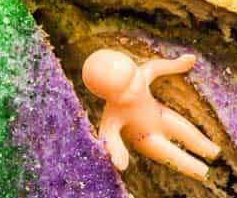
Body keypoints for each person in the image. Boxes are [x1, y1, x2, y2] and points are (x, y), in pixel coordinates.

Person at [81, 48, 219, 181]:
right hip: (146, 138)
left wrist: (178, 64)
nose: (134, 88)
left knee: (189, 132)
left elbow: (157, 67)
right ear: (104, 96)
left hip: (161, 114)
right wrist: (117, 152)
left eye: (133, 77)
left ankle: (212, 151)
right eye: (123, 92)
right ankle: (204, 173)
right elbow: (107, 132)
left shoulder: (143, 74)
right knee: (174, 156)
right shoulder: (113, 114)